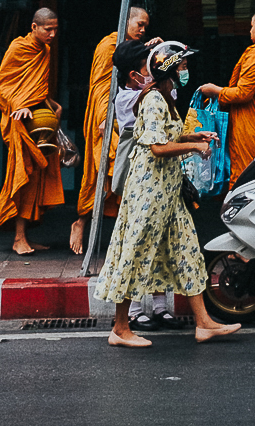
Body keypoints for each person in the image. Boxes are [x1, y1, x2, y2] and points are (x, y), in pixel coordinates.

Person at [100, 42, 241, 348]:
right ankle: (120, 328)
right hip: (148, 191)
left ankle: (204, 324)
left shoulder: (163, 97)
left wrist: (192, 135)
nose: (183, 71)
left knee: (187, 251)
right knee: (135, 253)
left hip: (168, 191)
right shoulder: (151, 99)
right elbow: (157, 147)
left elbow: (168, 135)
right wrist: (195, 147)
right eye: (180, 66)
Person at [110, 37, 182, 332]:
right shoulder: (132, 97)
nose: (151, 70)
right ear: (134, 75)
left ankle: (161, 305)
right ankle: (136, 310)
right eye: (146, 65)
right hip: (139, 176)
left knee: (161, 242)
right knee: (140, 241)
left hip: (161, 178)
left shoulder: (154, 92)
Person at [70, 7, 155, 255]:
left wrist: (152, 50)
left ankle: (123, 238)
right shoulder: (109, 45)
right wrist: (105, 119)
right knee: (103, 174)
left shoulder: (133, 47)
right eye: (139, 24)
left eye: (145, 26)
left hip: (126, 119)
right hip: (106, 120)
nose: (142, 30)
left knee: (124, 179)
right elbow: (100, 87)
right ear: (125, 22)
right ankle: (81, 222)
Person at [0, 8, 65, 255]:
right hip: (20, 123)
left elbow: (38, 89)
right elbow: (2, 86)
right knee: (22, 178)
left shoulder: (44, 50)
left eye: (56, 29)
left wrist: (54, 106)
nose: (53, 34)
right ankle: (18, 238)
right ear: (34, 27)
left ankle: (25, 235)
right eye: (48, 29)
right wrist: (18, 104)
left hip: (40, 120)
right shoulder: (18, 48)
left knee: (36, 179)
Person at [196, 9, 255, 180]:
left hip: (253, 127)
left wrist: (215, 91)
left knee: (247, 180)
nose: (249, 31)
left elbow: (243, 93)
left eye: (251, 26)